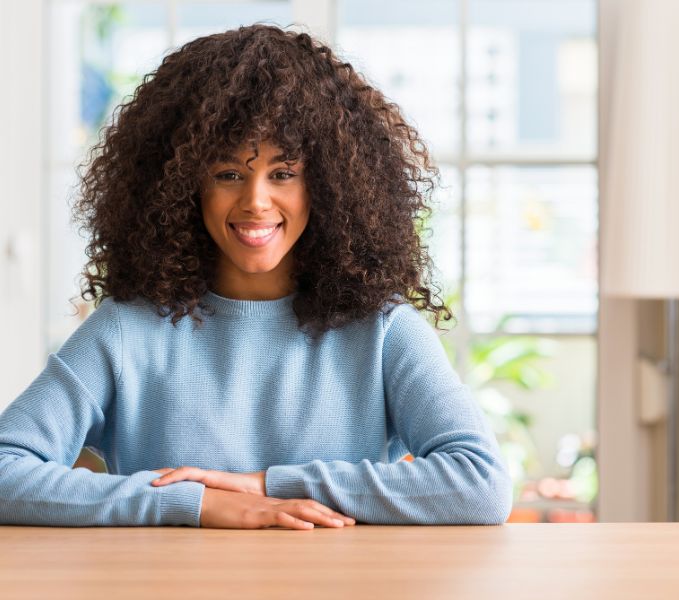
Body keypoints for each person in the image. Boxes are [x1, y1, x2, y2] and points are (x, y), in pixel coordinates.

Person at [0, 24, 512, 529]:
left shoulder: (381, 332)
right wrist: (195, 504)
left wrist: (269, 484)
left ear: (328, 185)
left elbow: (480, 485)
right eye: (228, 174)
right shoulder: (125, 330)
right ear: (182, 187)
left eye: (283, 173)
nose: (255, 202)